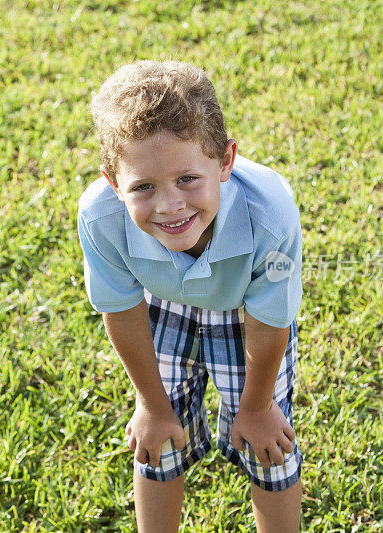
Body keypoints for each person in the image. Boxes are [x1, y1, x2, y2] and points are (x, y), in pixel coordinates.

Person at [77, 60, 304, 532]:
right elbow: (121, 310)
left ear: (225, 161)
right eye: (143, 187)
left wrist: (258, 408)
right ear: (113, 183)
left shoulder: (272, 217)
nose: (170, 205)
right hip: (161, 301)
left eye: (187, 179)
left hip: (246, 312)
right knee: (157, 442)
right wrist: (154, 407)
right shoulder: (100, 218)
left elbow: (269, 320)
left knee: (268, 446)